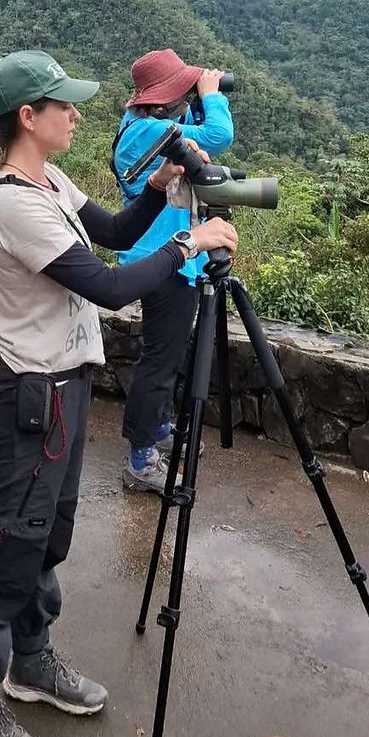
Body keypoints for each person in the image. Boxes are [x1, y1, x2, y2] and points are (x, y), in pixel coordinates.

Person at [0, 50, 238, 737]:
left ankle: (31, 661)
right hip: (26, 396)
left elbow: (111, 226)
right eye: (64, 105)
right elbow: (106, 284)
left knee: (46, 538)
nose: (77, 114)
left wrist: (167, 191)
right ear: (27, 118)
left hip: (65, 386)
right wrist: (189, 240)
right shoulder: (13, 202)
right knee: (6, 545)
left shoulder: (52, 179)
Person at [111, 49, 235, 493]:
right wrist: (211, 94)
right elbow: (218, 135)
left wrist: (196, 98)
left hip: (169, 255)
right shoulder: (151, 130)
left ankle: (159, 429)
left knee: (165, 354)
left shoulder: (139, 126)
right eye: (182, 91)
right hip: (166, 259)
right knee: (160, 362)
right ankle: (141, 460)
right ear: (166, 98)